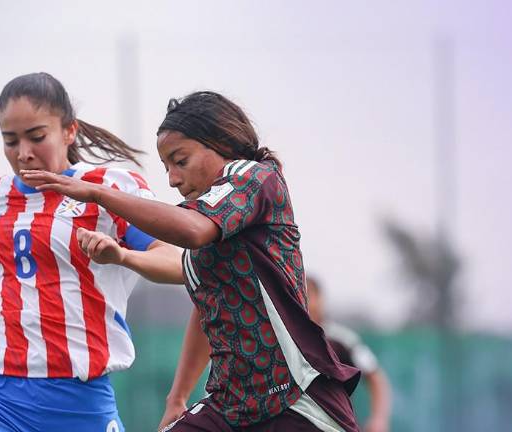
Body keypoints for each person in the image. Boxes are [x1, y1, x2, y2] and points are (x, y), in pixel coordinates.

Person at [23, 91, 362, 431]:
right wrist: (177, 398)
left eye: (180, 161)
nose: (172, 178)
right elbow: (205, 304)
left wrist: (99, 193)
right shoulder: (210, 224)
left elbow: (192, 230)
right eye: (166, 166)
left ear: (221, 144)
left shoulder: (256, 178)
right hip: (232, 405)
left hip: (295, 399)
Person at [0, 72, 181, 432]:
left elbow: (176, 261)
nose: (23, 153)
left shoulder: (108, 189)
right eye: (10, 141)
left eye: (36, 137)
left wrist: (123, 256)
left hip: (76, 399)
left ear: (69, 131)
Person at [306, 275, 392, 432]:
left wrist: (379, 419)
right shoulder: (283, 340)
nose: (303, 301)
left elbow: (375, 376)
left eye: (308, 295)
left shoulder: (343, 340)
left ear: (320, 299)